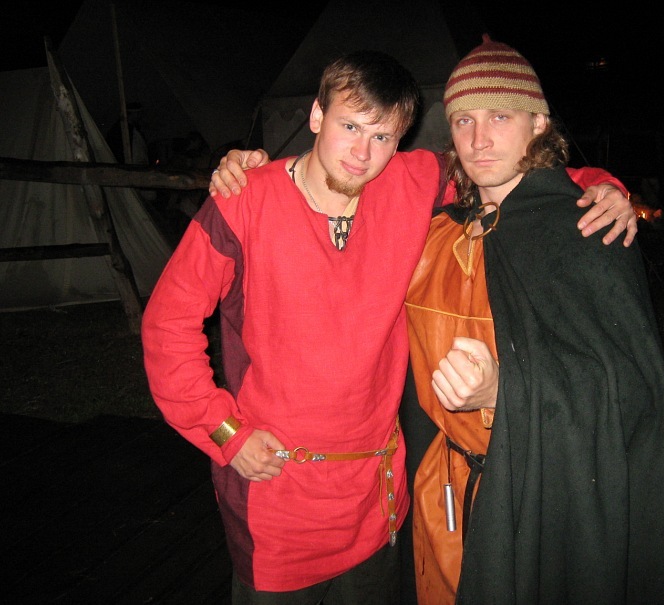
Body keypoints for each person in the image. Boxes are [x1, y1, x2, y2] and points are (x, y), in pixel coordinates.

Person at [145, 51, 634, 604]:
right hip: (275, 492)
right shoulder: (244, 201)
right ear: (316, 116)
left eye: (382, 137)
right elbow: (167, 326)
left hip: (375, 497)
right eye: (350, 127)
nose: (362, 153)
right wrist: (224, 433)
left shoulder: (412, 183)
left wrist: (603, 185)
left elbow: (508, 174)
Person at [403, 36, 664, 604]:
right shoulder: (437, 232)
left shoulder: (589, 230)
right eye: (463, 120)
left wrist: (505, 389)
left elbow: (629, 392)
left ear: (538, 123)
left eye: (499, 117)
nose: (479, 139)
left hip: (544, 500)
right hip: (441, 491)